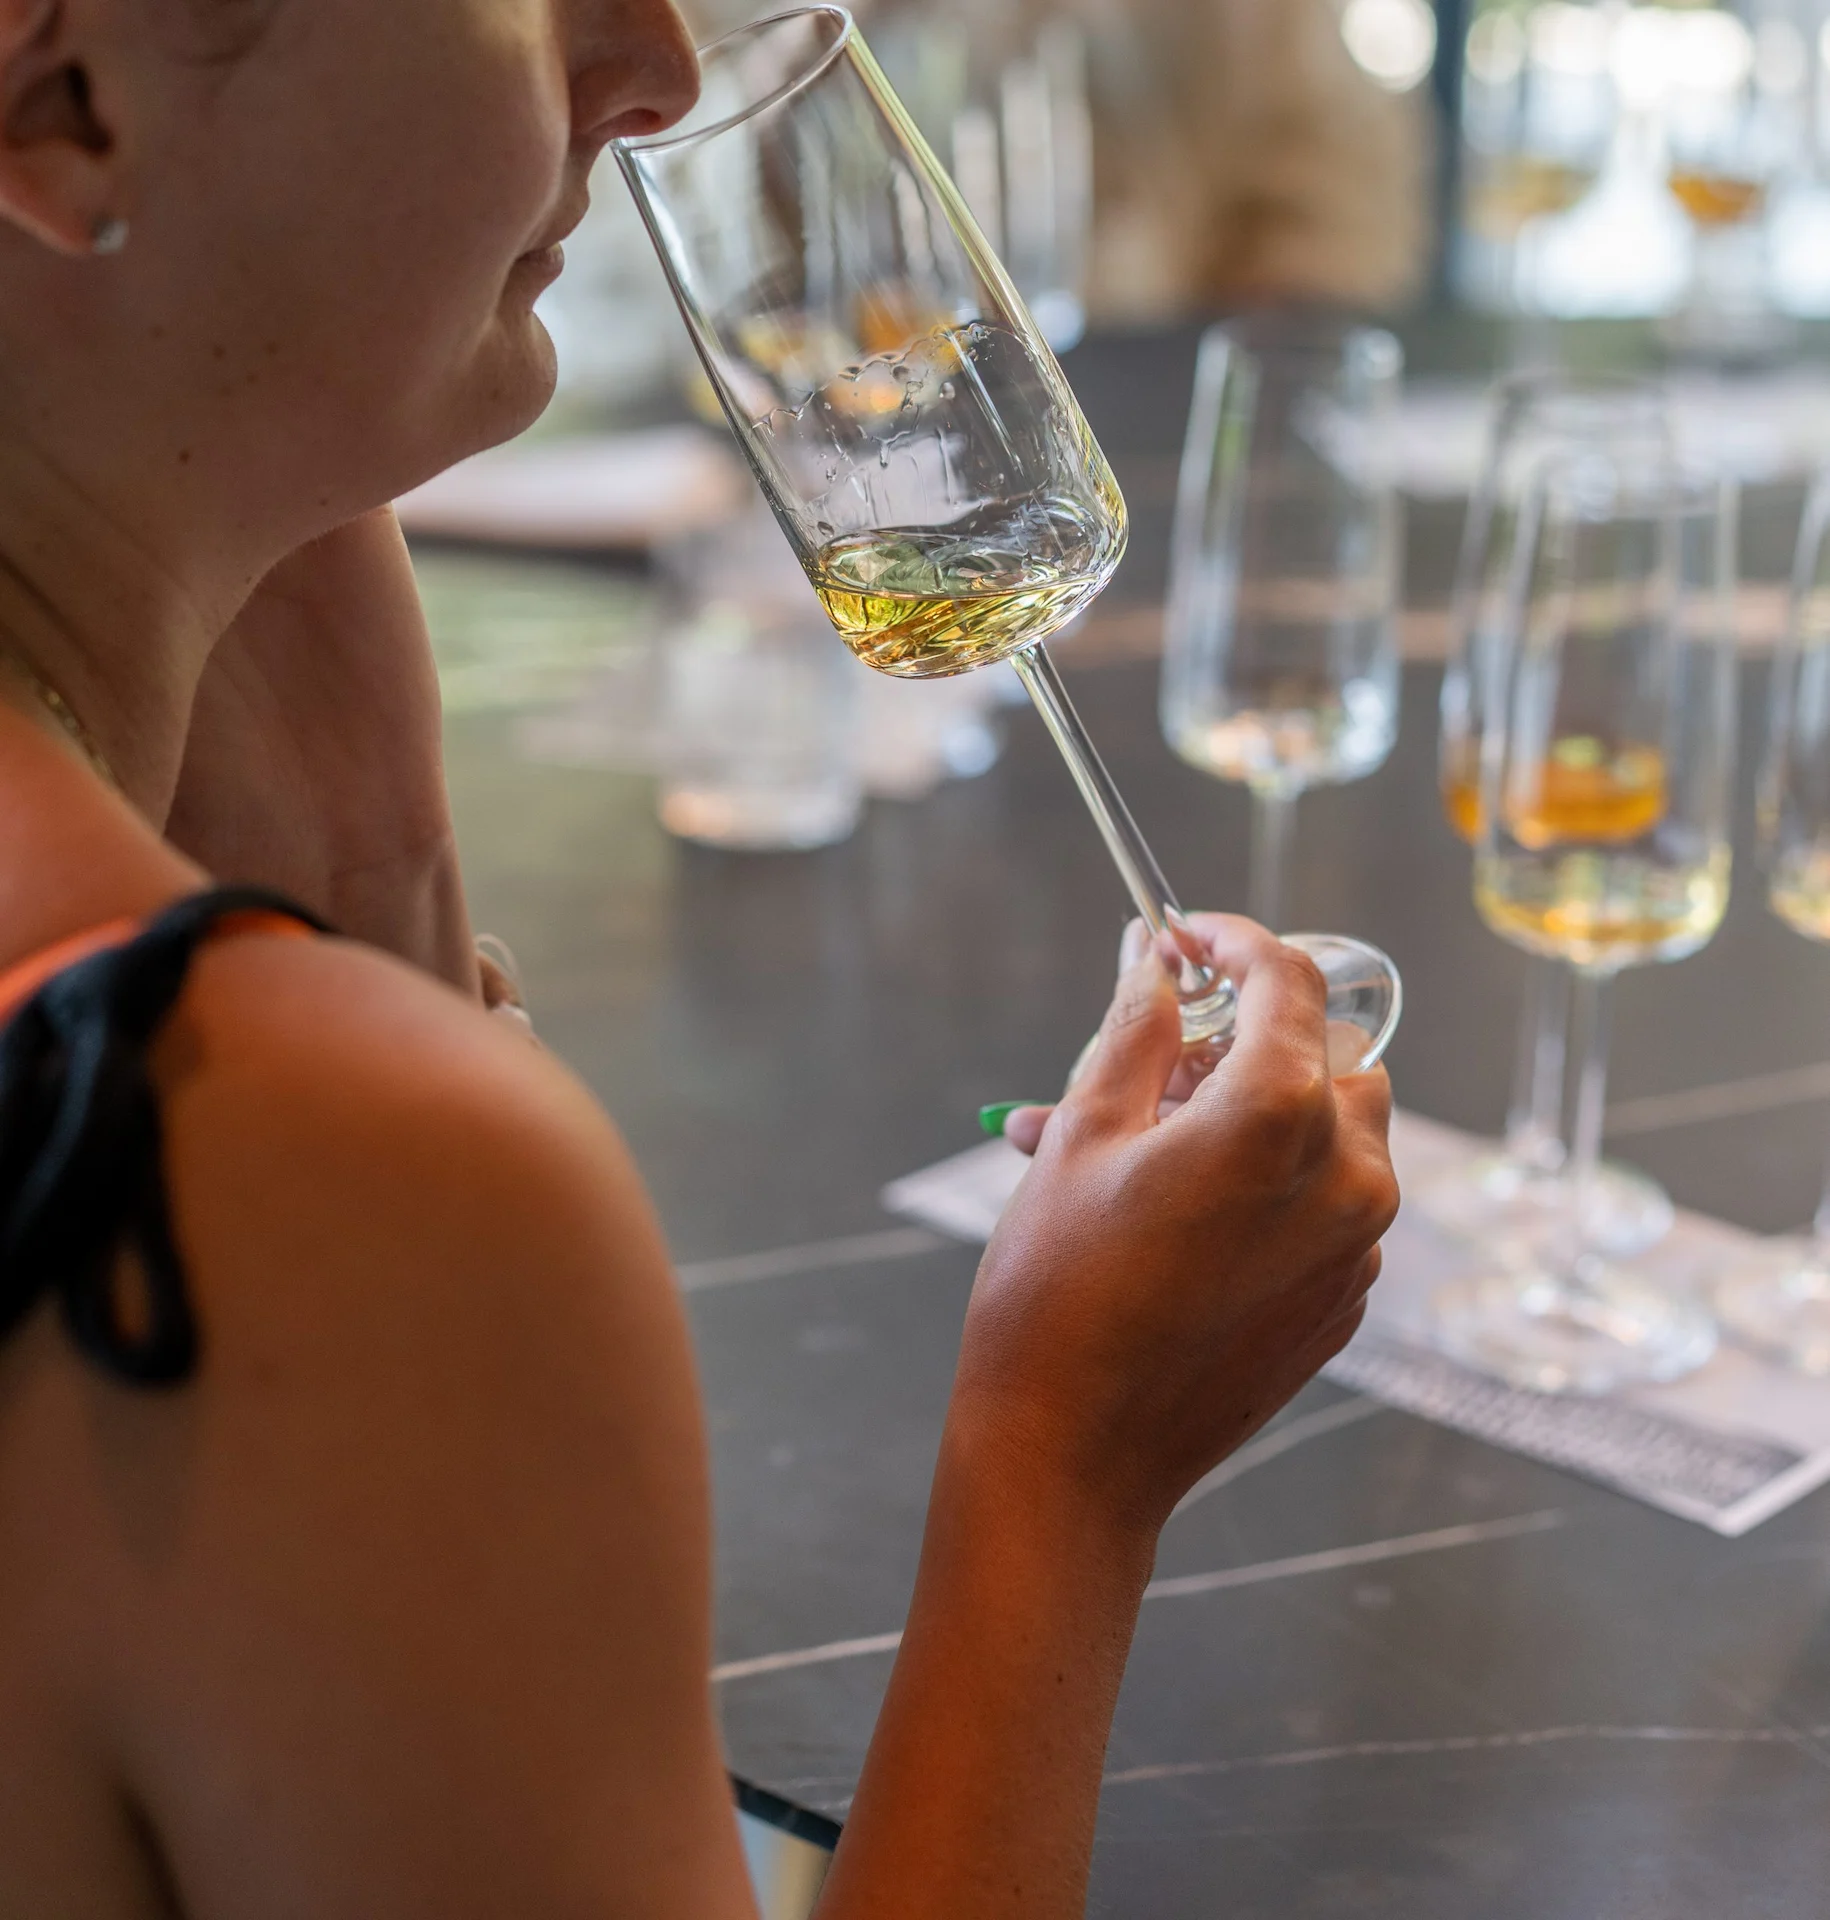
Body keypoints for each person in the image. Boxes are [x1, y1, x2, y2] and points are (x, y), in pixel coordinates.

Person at [0, 1, 1399, 1915]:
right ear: (63, 109)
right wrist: (1064, 1467)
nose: (649, 59)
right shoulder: (291, 1175)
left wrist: (376, 862)